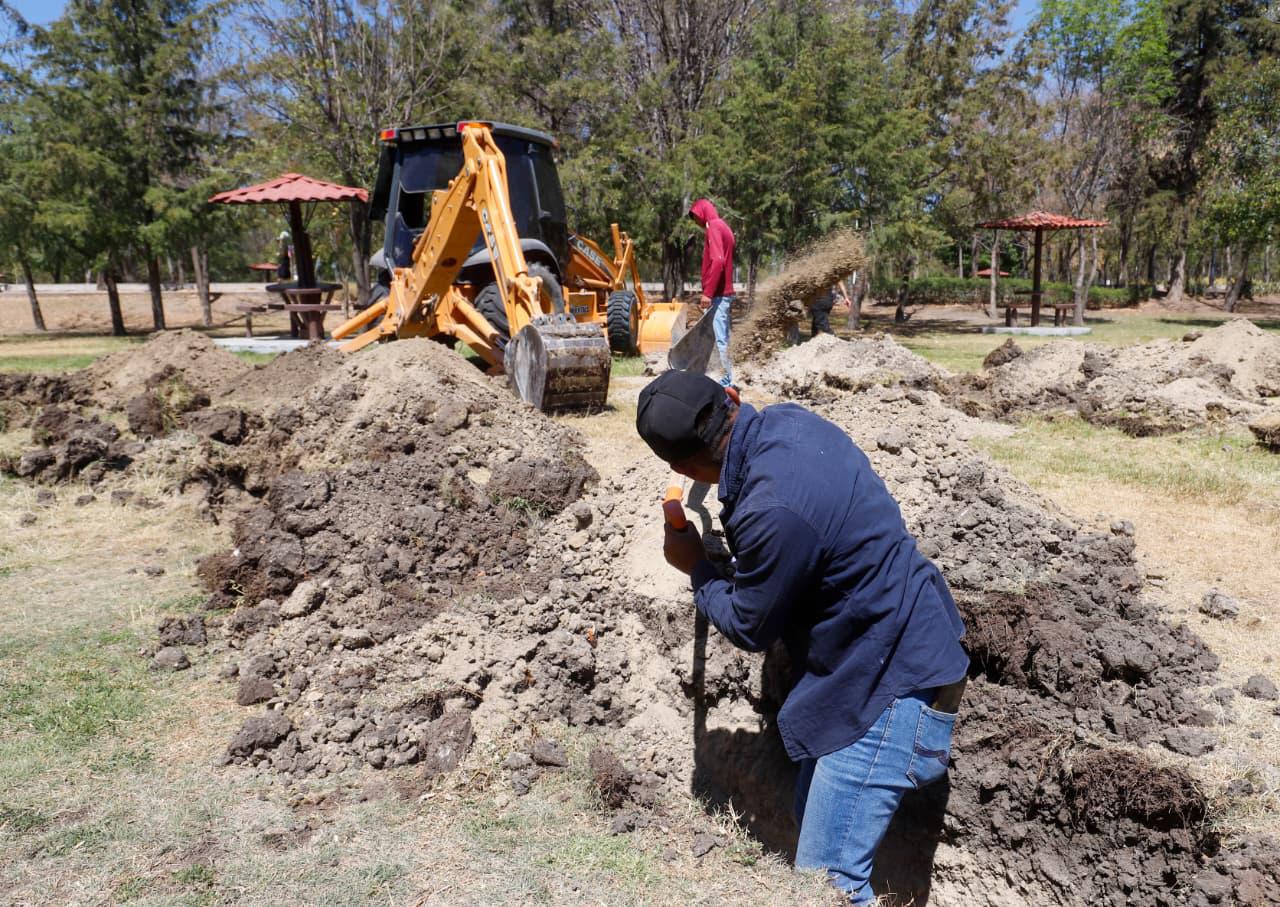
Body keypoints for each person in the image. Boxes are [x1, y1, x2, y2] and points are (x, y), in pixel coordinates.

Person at [635, 370, 969, 905]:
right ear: (732, 398)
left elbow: (749, 625)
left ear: (681, 469)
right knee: (810, 819)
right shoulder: (792, 423)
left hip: (891, 685)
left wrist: (697, 567)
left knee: (828, 885)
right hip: (882, 653)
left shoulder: (772, 510)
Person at [688, 199, 736, 387]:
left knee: (719, 340)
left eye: (695, 218)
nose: (696, 223)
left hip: (718, 294)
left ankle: (726, 382)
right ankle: (721, 377)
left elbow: (718, 261)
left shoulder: (714, 227)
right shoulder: (724, 226)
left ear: (701, 213)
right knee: (721, 337)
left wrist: (707, 293)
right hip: (723, 293)